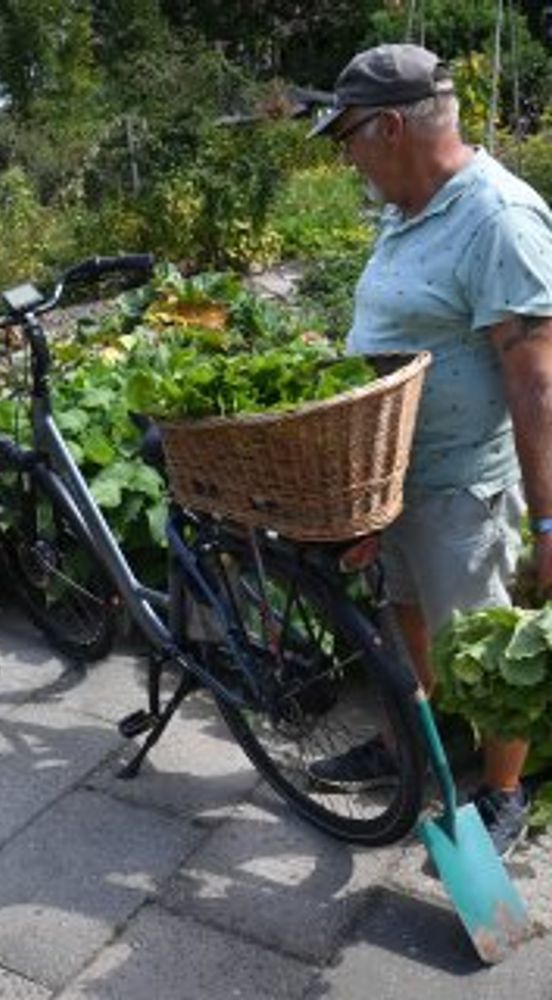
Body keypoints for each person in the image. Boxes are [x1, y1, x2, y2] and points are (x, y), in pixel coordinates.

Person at [306, 43, 552, 858]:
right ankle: (412, 745)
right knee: (404, 616)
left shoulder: (499, 219)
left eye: (348, 137)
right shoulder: (405, 208)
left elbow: (538, 389)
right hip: (393, 478)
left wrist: (550, 529)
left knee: (489, 647)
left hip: (464, 490)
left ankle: (506, 792)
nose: (345, 156)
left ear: (388, 126)